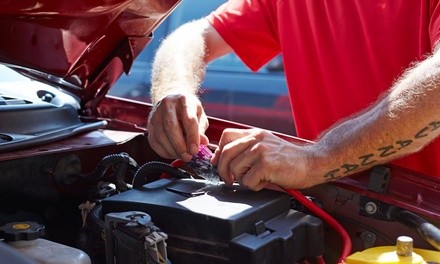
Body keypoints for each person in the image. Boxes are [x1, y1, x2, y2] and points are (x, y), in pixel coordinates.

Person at [147, 1, 440, 191]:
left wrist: (317, 159)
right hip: (335, 207)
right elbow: (194, 35)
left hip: (424, 219)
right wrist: (173, 88)